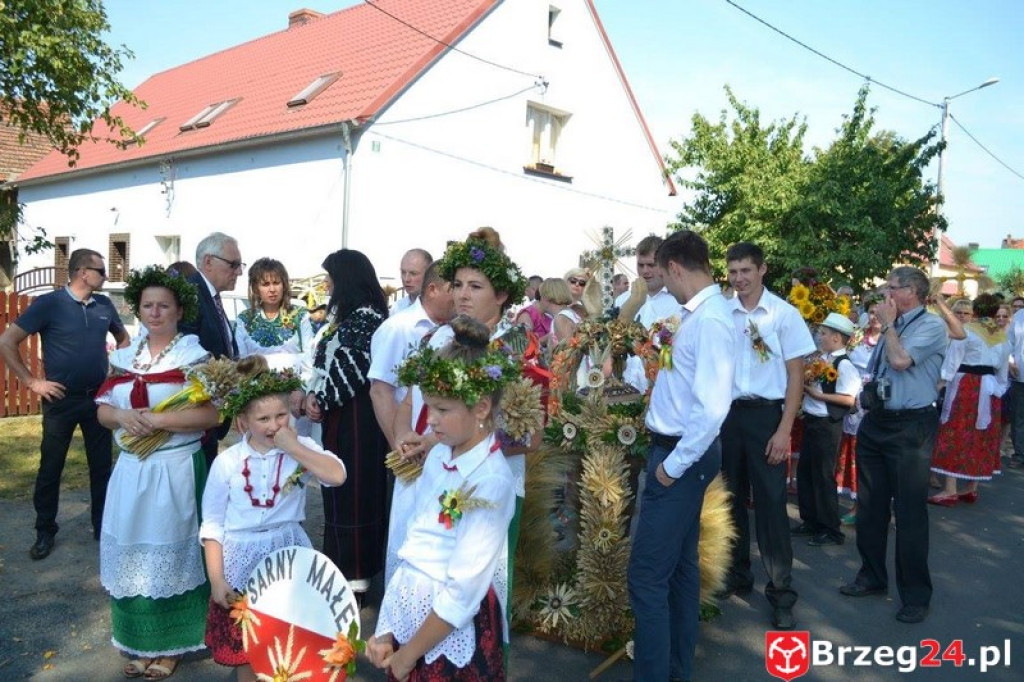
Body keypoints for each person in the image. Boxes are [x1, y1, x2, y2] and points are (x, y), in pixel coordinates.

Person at [392, 227, 535, 663]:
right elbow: (409, 398)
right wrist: (405, 437)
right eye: (457, 284)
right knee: (418, 564)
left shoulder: (517, 347)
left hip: (483, 482)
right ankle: (410, 651)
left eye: (475, 286)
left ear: (502, 294)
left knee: (471, 584)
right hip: (430, 470)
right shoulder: (437, 337)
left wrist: (439, 439)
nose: (462, 295)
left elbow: (528, 432)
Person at [367, 316, 517, 681]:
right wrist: (388, 627)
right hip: (413, 614)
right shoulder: (438, 455)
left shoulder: (491, 481)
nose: (430, 420)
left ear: (481, 408)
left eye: (443, 410)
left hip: (450, 627)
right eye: (428, 406)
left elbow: (463, 590)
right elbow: (414, 544)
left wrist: (409, 656)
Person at [93, 266, 220, 679]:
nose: (154, 312)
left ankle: (172, 647)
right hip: (131, 471)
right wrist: (124, 416)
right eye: (147, 305)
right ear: (137, 309)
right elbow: (102, 411)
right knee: (133, 550)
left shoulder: (193, 356)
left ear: (179, 310)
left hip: (176, 469)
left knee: (173, 548)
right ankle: (138, 642)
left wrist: (161, 421)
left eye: (163, 305)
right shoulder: (124, 357)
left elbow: (213, 413)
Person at [627, 230, 736, 682]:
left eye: (664, 274)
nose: (664, 286)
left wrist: (671, 469)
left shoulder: (708, 319)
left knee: (647, 576)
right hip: (679, 451)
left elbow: (713, 408)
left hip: (680, 455)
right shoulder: (702, 314)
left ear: (674, 267)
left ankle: (656, 674)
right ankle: (675, 669)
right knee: (679, 570)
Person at [201, 357, 347, 682]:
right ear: (242, 421)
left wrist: (294, 447)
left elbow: (337, 475)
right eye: (263, 418)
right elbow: (212, 525)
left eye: (281, 416)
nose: (273, 426)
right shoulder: (227, 463)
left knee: (289, 642)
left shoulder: (300, 448)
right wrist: (217, 578)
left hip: (288, 553)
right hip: (241, 556)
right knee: (249, 647)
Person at [0, 248, 129, 561]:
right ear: (83, 272)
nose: (106, 276)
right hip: (60, 400)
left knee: (102, 468)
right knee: (50, 468)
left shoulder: (104, 305)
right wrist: (32, 382)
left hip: (97, 398)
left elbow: (124, 340)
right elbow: (6, 341)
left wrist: (116, 368)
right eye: (101, 271)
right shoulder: (50, 304)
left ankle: (102, 528)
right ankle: (45, 531)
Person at [839, 266, 948, 624]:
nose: (886, 294)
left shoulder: (930, 325)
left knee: (909, 512)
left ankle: (916, 595)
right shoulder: (894, 324)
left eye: (893, 287)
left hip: (911, 427)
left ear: (912, 292)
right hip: (878, 423)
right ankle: (871, 575)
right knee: (869, 505)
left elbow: (900, 361)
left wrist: (886, 326)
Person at [718, 242, 816, 630]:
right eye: (733, 271)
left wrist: (784, 430)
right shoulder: (722, 312)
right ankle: (737, 574)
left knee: (773, 506)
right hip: (728, 417)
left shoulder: (784, 315)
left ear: (762, 270)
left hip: (766, 417)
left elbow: (796, 376)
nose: (739, 278)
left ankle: (781, 592)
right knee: (730, 500)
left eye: (746, 270)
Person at [304, 249, 390, 600]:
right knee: (338, 486)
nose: (326, 284)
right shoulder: (350, 315)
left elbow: (350, 371)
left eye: (331, 277)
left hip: (357, 417)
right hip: (343, 415)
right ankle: (340, 565)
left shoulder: (365, 318)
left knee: (353, 488)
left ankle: (354, 575)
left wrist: (321, 399)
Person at [928, 292, 1009, 505]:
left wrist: (940, 382)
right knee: (981, 435)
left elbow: (952, 363)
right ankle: (971, 487)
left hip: (966, 385)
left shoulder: (967, 332)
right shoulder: (1002, 337)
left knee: (955, 430)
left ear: (976, 310)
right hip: (990, 387)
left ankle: (950, 489)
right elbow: (1002, 373)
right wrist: (998, 389)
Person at [370, 261, 455, 449]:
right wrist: (400, 446)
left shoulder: (451, 330)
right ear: (433, 289)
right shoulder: (397, 328)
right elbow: (380, 391)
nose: (460, 296)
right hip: (410, 446)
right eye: (454, 288)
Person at [796, 313, 860, 547]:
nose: (818, 337)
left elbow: (849, 399)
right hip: (812, 419)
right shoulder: (821, 358)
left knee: (823, 475)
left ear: (836, 338)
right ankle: (810, 519)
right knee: (807, 471)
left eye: (823, 334)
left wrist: (817, 395)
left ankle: (830, 528)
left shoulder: (844, 364)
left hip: (826, 424)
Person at [181, 231, 244, 466]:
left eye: (240, 265)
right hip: (195, 409)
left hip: (210, 412)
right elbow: (186, 353)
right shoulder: (190, 294)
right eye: (233, 264)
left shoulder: (210, 295)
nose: (238, 271)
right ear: (208, 261)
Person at [838, 294, 884, 525]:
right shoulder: (857, 337)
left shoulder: (889, 338)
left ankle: (876, 506)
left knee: (873, 454)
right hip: (853, 396)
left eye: (879, 312)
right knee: (854, 452)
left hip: (874, 398)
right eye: (872, 312)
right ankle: (857, 505)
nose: (875, 317)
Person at [234, 257, 315, 373]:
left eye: (276, 283)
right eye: (265, 284)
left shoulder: (300, 316)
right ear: (256, 288)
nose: (272, 289)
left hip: (294, 387)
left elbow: (309, 360)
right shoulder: (245, 320)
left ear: (284, 285)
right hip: (254, 387)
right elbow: (241, 363)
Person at [390, 248, 433, 317]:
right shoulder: (396, 309)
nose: (406, 279)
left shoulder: (442, 310)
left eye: (413, 273)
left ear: (429, 274)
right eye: (403, 272)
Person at [540, 277, 579, 345]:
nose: (540, 300)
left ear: (546, 297)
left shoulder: (560, 318)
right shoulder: (567, 313)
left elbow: (568, 352)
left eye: (541, 296)